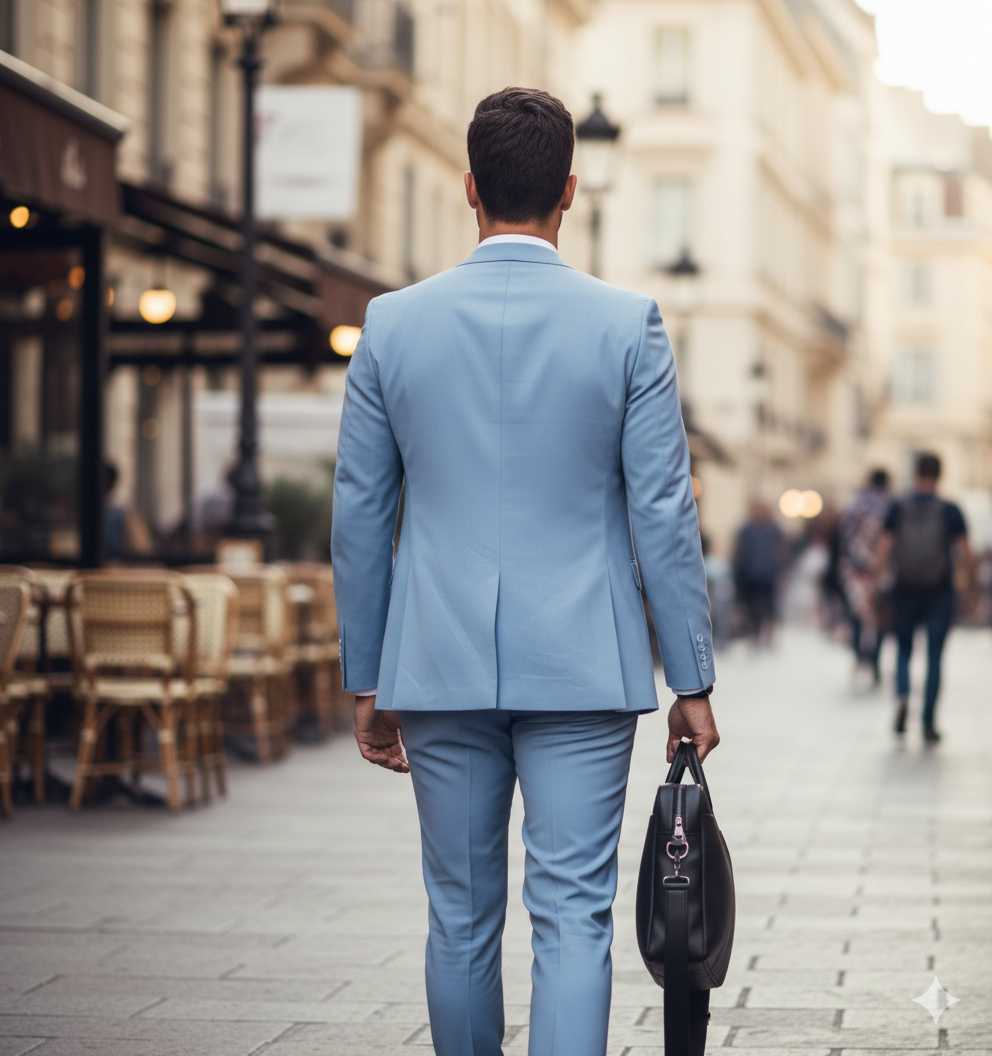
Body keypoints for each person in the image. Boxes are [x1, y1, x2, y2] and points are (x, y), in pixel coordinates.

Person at [331, 88, 719, 1056]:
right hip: (583, 665)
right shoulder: (627, 325)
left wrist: (366, 675)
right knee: (573, 918)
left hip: (440, 661)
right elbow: (662, 511)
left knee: (459, 919)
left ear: (468, 188)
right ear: (570, 193)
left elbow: (359, 514)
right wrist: (691, 680)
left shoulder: (389, 325)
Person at [874, 453, 972, 742]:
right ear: (940, 475)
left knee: (903, 650)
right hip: (939, 591)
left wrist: (874, 582)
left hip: (904, 589)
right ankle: (929, 721)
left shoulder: (897, 507)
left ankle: (903, 695)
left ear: (914, 473)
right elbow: (964, 552)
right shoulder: (950, 510)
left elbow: (883, 548)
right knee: (935, 657)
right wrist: (972, 585)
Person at [838, 468, 892, 686]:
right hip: (881, 571)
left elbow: (844, 537)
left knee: (857, 616)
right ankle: (876, 663)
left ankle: (859, 657)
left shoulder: (854, 503)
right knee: (877, 617)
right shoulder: (889, 505)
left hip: (854, 570)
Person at [733, 499, 786, 646]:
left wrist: (781, 568)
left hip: (768, 574)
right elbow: (739, 550)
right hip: (749, 574)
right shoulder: (746, 529)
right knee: (751, 607)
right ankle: (754, 633)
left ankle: (767, 634)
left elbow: (781, 549)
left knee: (769, 606)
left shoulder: (774, 529)